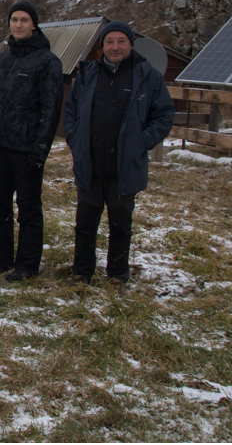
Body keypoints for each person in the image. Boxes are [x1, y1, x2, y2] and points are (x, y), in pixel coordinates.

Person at [64, 20, 174, 286]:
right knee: (85, 225)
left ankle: (117, 275)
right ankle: (82, 273)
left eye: (121, 41)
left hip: (124, 166)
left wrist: (143, 140)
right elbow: (71, 111)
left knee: (120, 226)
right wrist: (76, 139)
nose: (115, 47)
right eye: (110, 42)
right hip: (90, 164)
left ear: (130, 44)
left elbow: (164, 114)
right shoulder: (88, 73)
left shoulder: (147, 75)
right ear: (102, 46)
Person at [0, 1, 63, 281]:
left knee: (28, 210)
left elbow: (51, 111)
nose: (18, 24)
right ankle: (0, 260)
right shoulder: (4, 59)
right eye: (14, 20)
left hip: (27, 149)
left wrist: (40, 151)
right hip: (0, 144)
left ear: (34, 25)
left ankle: (27, 266)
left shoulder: (47, 62)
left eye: (24, 20)